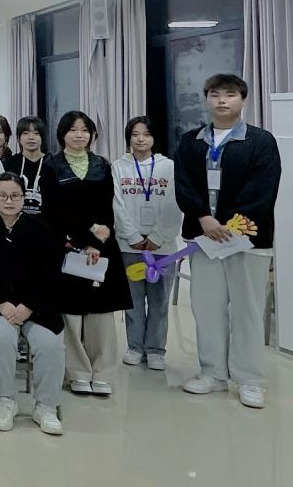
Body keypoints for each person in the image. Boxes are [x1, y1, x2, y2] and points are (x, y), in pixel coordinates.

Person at [175, 73, 282, 408]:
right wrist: (203, 218)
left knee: (247, 310)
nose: (222, 100)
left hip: (246, 240)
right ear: (207, 98)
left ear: (243, 100)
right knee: (207, 308)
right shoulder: (191, 141)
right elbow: (183, 184)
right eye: (215, 94)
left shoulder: (260, 141)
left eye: (230, 94)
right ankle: (212, 372)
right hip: (204, 237)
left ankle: (250, 379)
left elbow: (263, 188)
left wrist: (232, 224)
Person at [39, 110, 132, 396]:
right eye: (73, 130)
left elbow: (107, 207)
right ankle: (77, 372)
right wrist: (84, 237)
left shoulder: (102, 165)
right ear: (62, 134)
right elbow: (53, 210)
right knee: (70, 313)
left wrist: (96, 241)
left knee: (101, 313)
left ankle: (103, 371)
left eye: (84, 130)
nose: (79, 135)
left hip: (100, 246)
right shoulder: (52, 166)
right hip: (65, 245)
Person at [0, 173, 66, 435]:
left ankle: (45, 406)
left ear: (24, 197)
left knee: (50, 345)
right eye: (2, 195)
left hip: (37, 307)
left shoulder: (41, 229)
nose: (9, 201)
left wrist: (28, 306)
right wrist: (1, 303)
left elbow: (50, 274)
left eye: (15, 195)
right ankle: (5, 401)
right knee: (0, 339)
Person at [112, 116, 184, 371]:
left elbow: (175, 203)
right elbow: (116, 204)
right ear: (128, 138)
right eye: (135, 134)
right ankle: (134, 347)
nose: (140, 139)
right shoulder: (118, 167)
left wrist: (157, 236)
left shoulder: (169, 167)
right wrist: (132, 236)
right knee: (132, 301)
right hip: (129, 246)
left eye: (146, 134)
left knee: (159, 302)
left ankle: (155, 350)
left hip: (162, 248)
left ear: (154, 138)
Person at [4, 116, 47, 216]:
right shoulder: (9, 163)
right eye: (25, 133)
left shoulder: (52, 163)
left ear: (42, 137)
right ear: (19, 138)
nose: (31, 137)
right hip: (15, 220)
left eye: (36, 133)